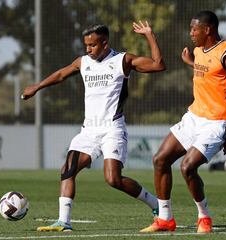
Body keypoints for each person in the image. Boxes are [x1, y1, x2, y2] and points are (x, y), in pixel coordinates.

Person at [21, 21, 165, 232]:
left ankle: (156, 205)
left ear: (104, 43)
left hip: (112, 128)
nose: (88, 49)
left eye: (92, 45)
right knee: (68, 170)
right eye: (86, 45)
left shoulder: (122, 60)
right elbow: (61, 74)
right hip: (88, 130)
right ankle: (64, 222)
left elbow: (158, 65)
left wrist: (149, 35)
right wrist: (37, 86)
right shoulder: (83, 62)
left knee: (113, 179)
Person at [140, 10, 226, 234]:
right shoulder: (198, 51)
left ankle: (204, 216)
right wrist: (191, 62)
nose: (191, 33)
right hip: (194, 117)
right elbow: (208, 71)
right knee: (160, 160)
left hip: (217, 122)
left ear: (207, 29)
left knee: (188, 167)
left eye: (194, 29)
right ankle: (165, 219)